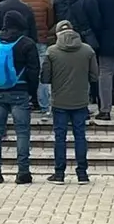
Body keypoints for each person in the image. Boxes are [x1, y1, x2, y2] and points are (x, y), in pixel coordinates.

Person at [0, 10, 41, 185]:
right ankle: (23, 172)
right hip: (20, 93)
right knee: (22, 133)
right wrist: (32, 93)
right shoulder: (27, 43)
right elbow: (34, 70)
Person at [43, 19, 97, 184]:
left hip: (59, 101)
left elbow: (45, 77)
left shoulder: (51, 52)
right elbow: (94, 76)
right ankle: (82, 174)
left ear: (58, 33)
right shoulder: (87, 51)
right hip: (80, 101)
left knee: (60, 137)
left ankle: (59, 174)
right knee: (80, 136)